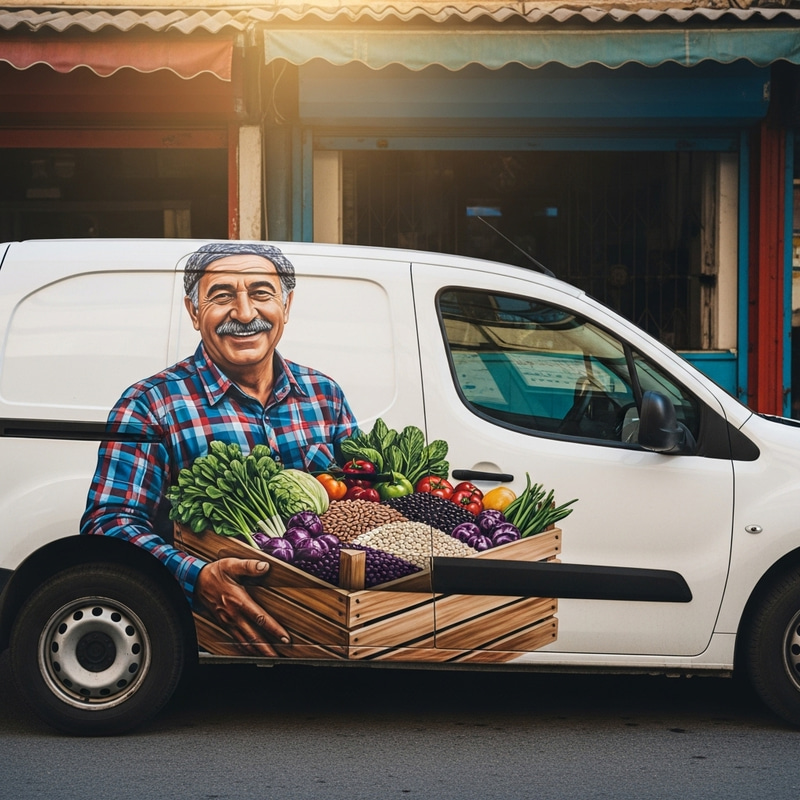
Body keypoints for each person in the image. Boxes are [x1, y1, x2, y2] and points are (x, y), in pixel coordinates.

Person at [80, 242, 359, 655]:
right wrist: (197, 577)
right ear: (194, 312)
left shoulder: (324, 394)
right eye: (222, 295)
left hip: (323, 636)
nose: (245, 314)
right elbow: (108, 525)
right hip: (207, 645)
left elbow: (356, 498)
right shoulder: (151, 404)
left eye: (262, 293)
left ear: (287, 305)